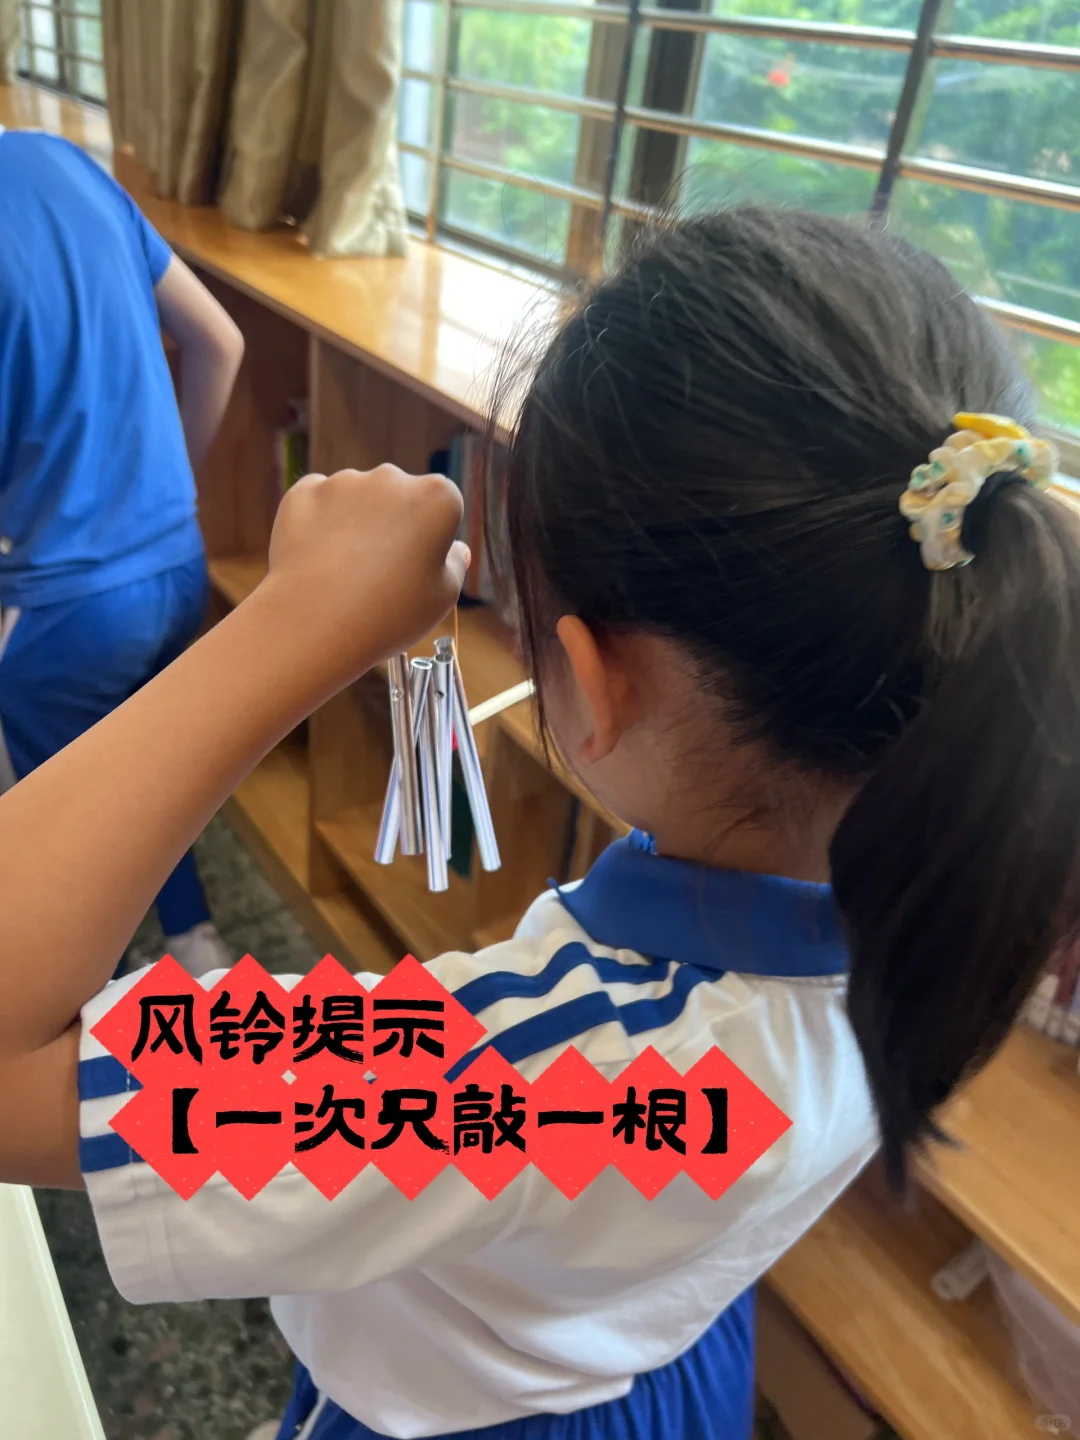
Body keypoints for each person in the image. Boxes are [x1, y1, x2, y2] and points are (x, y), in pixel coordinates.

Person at [0, 208, 1078, 1440]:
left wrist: (292, 624)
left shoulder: (542, 1074)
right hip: (656, 1358)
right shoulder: (949, 879)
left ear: (596, 681)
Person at [0, 126, 244, 977]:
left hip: (65, 610)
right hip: (177, 563)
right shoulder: (67, 163)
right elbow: (220, 343)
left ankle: (102, 1005)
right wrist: (167, 488)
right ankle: (194, 944)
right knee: (154, 778)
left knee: (69, 852)